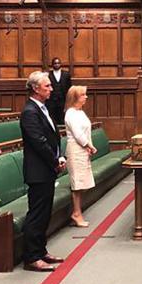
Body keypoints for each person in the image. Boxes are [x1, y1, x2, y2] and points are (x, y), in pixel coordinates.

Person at [20, 71, 66, 272]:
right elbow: (38, 142)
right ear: (36, 88)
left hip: (47, 169)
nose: (51, 89)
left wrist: (59, 156)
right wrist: (55, 160)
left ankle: (41, 250)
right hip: (38, 170)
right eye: (47, 86)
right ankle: (32, 257)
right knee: (37, 214)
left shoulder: (43, 108)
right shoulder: (30, 112)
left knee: (45, 213)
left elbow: (53, 137)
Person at [64, 85, 97, 228]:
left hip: (83, 149)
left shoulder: (80, 112)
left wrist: (89, 145)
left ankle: (78, 211)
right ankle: (76, 213)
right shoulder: (70, 113)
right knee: (77, 184)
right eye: (83, 94)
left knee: (82, 183)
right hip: (76, 150)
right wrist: (88, 145)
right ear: (75, 97)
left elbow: (86, 132)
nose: (86, 97)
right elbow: (78, 134)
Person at [47, 56, 72, 124]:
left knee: (62, 118)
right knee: (52, 118)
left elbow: (69, 87)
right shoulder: (48, 75)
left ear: (60, 64)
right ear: (52, 65)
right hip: (51, 100)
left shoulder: (66, 74)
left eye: (58, 63)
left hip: (62, 100)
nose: (57, 64)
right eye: (55, 63)